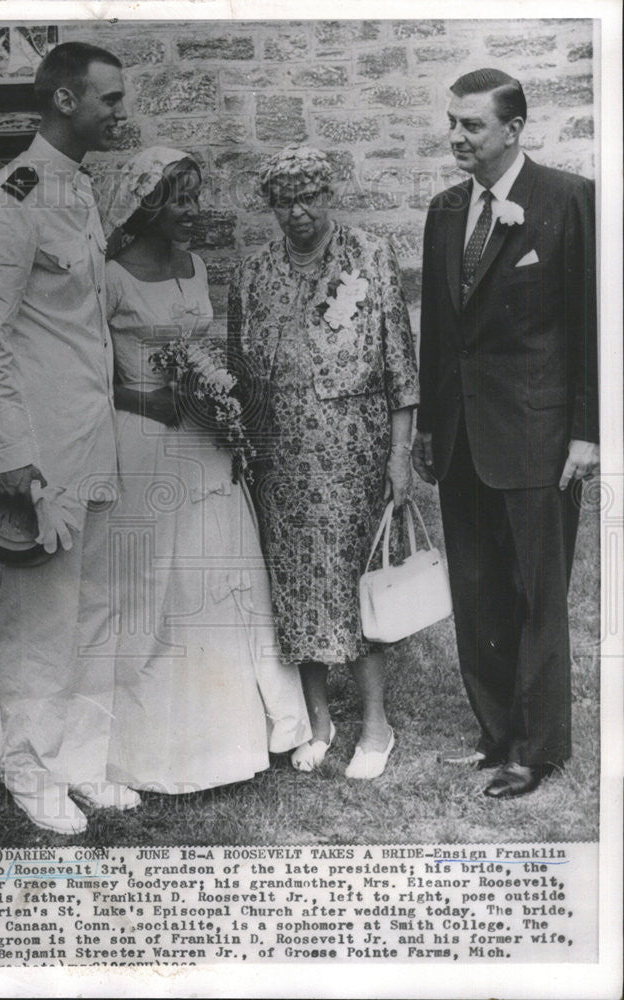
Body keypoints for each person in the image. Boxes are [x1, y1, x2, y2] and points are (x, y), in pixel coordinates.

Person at [0, 42, 140, 834]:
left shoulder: (75, 188)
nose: (120, 112)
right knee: (41, 617)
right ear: (64, 100)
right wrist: (11, 460)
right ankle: (28, 766)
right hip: (39, 449)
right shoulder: (10, 198)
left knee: (90, 609)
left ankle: (77, 760)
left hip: (89, 437)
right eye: (111, 99)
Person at [99, 146, 311, 794]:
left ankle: (259, 725)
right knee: (159, 584)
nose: (191, 212)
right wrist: (148, 399)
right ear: (146, 205)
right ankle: (149, 744)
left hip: (202, 438)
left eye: (194, 197)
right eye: (177, 200)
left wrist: (216, 399)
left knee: (227, 576)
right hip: (142, 438)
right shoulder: (108, 275)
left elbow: (204, 351)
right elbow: (91, 375)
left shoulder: (193, 268)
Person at [412, 69, 598, 799]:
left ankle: (537, 746)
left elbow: (592, 324)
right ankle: (494, 732)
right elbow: (439, 328)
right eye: (450, 124)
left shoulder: (568, 199)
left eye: (472, 126)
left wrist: (586, 432)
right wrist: (430, 427)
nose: (456, 137)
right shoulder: (443, 209)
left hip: (537, 434)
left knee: (534, 595)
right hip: (461, 434)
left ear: (514, 129)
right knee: (478, 587)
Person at [228, 144, 420, 780]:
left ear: (328, 195)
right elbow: (239, 372)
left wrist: (399, 455)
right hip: (281, 458)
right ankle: (317, 720)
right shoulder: (253, 274)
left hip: (352, 453)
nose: (298, 211)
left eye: (309, 196)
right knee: (294, 586)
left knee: (352, 583)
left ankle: (375, 725)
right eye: (284, 201)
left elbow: (399, 366)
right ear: (272, 207)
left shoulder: (369, 256)